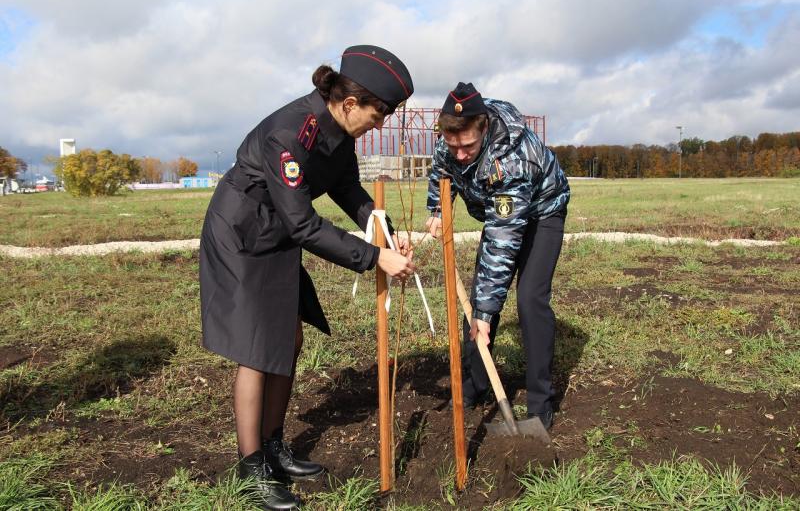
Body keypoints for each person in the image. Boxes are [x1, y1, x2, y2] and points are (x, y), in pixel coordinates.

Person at [200, 45, 416, 510]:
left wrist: (386, 234)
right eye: (378, 117)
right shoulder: (290, 134)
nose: (379, 126)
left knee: (289, 339)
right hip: (243, 233)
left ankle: (274, 445)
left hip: (276, 232)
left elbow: (347, 190)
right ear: (350, 103)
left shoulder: (340, 133)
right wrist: (374, 257)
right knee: (257, 349)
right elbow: (303, 224)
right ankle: (251, 466)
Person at [425, 82, 569, 432]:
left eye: (468, 146)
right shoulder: (453, 137)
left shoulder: (511, 160)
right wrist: (436, 209)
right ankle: (475, 385)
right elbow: (440, 173)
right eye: (453, 144)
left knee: (529, 299)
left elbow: (502, 244)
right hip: (498, 213)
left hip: (541, 213)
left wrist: (486, 315)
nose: (460, 153)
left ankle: (540, 401)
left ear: (484, 127)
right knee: (475, 302)